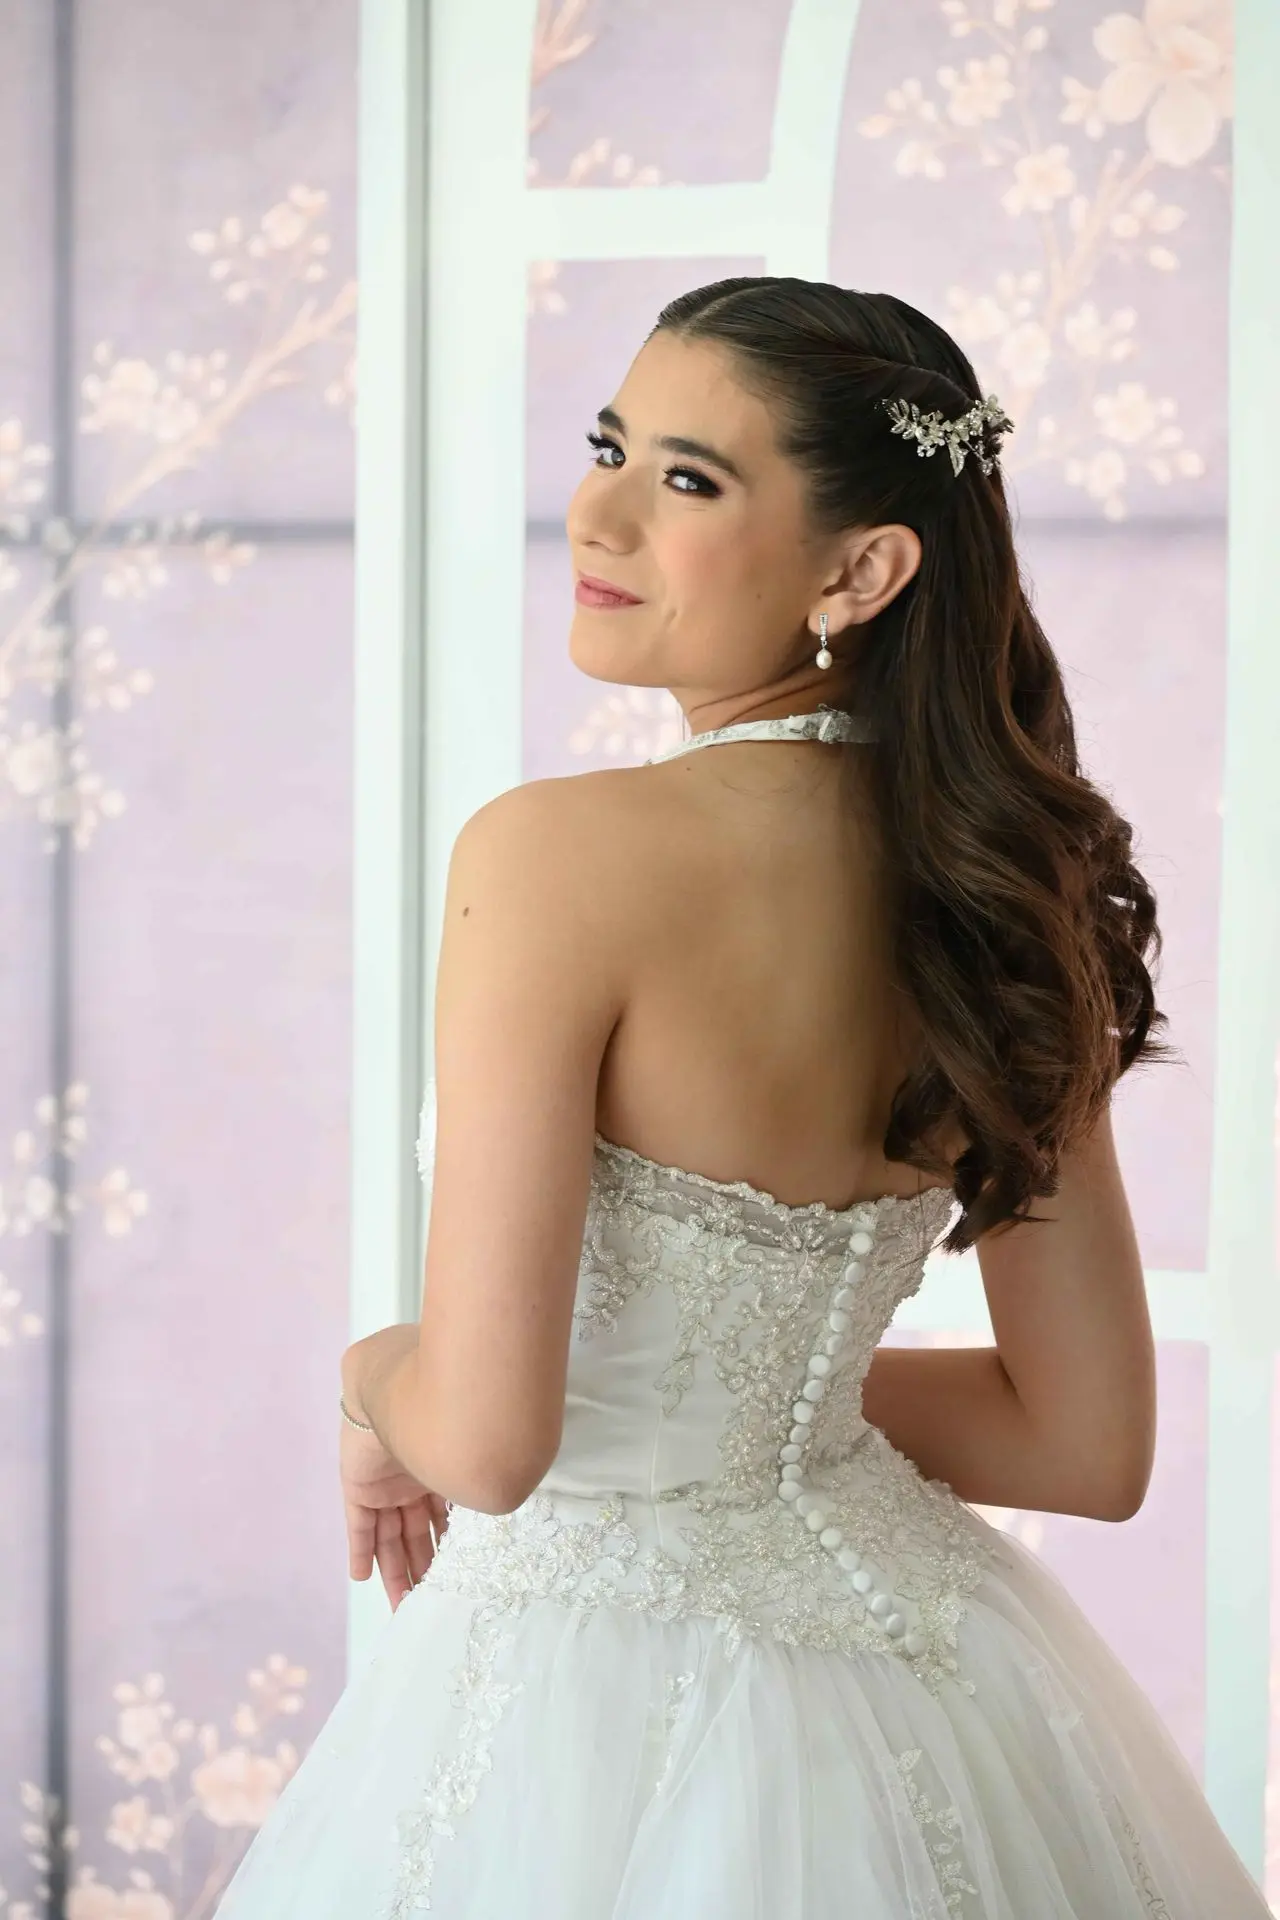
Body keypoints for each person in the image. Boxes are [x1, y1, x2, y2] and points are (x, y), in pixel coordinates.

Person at [215, 279, 1270, 1917]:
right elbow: (1082, 1443)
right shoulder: (1002, 894)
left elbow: (484, 1442)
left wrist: (370, 1384)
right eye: (610, 448)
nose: (601, 513)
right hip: (923, 1681)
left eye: (690, 480)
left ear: (862, 572)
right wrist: (765, 1408)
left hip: (585, 1703)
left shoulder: (556, 855)